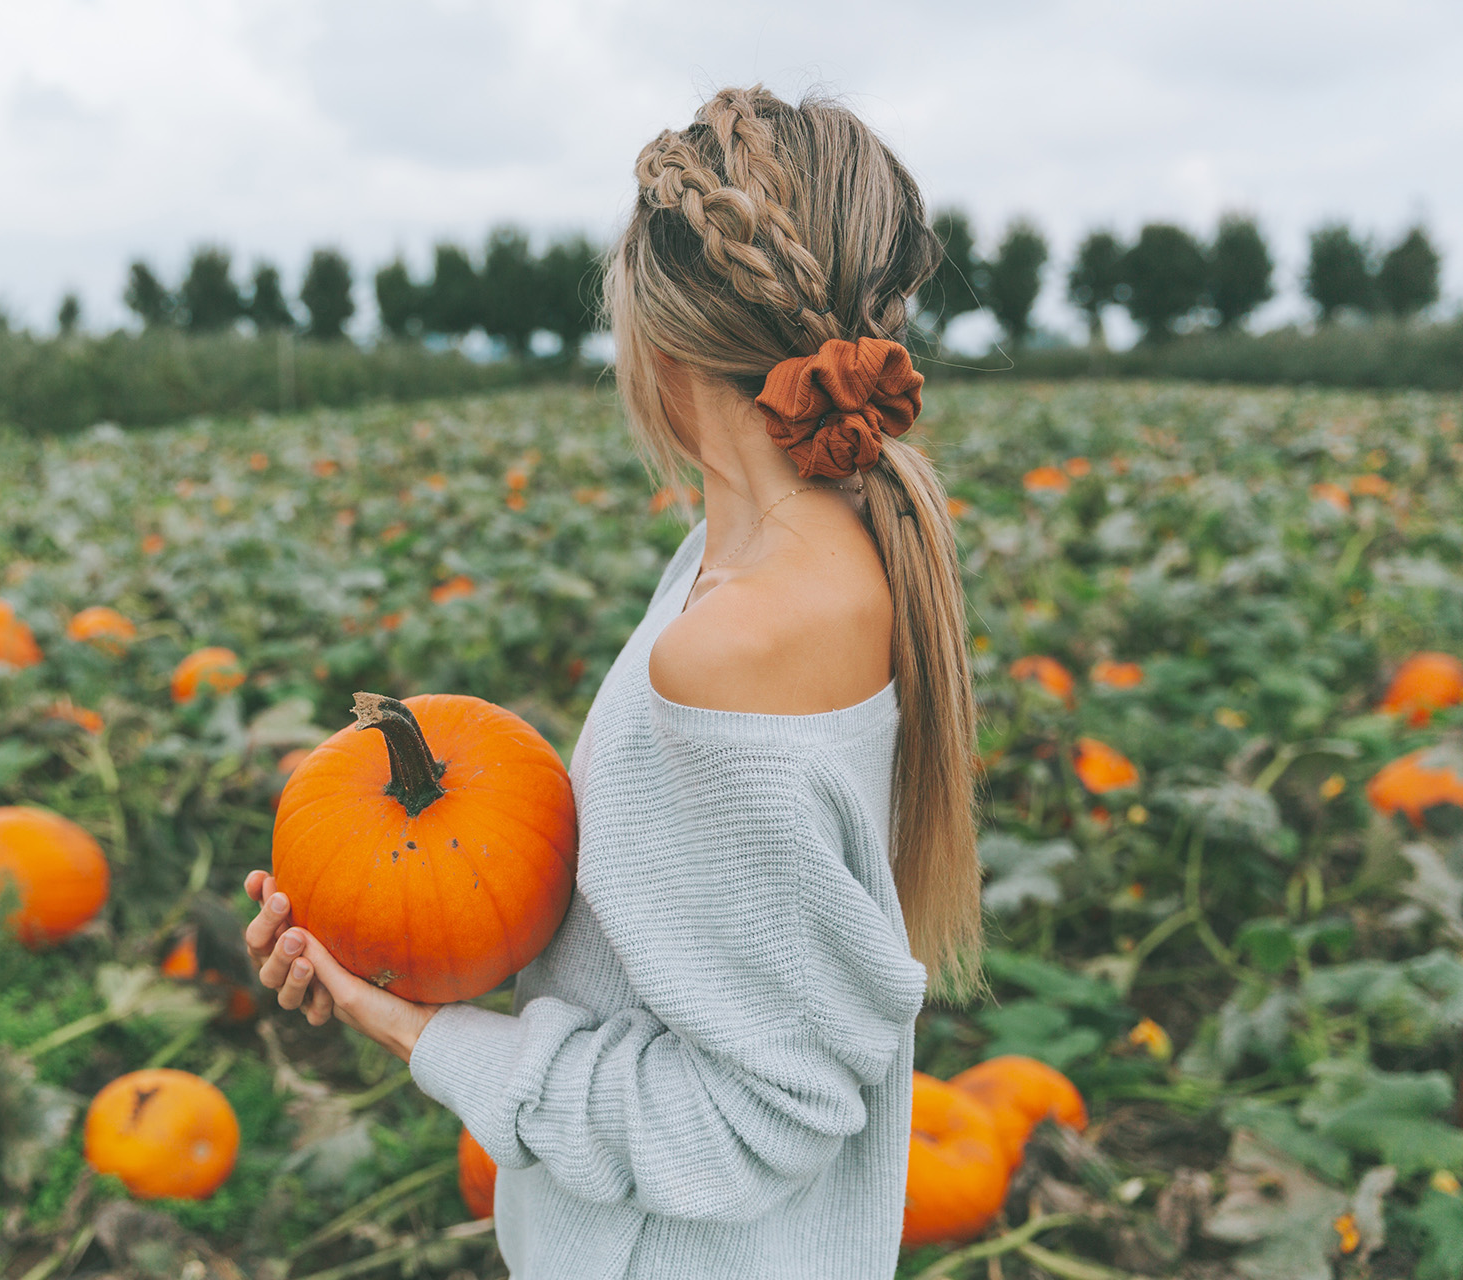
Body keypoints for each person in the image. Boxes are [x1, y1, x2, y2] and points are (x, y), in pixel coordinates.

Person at [242, 84, 981, 1280]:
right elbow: (710, 938)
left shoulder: (737, 649)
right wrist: (457, 864)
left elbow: (752, 1117)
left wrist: (425, 1031)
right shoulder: (782, 544)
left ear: (660, 330)